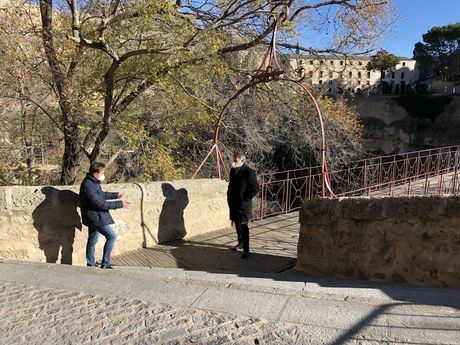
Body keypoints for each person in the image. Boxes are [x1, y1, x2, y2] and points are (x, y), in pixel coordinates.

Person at [79, 162, 126, 269]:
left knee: (92, 240)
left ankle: (90, 263)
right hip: (95, 217)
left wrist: (115, 195)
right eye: (102, 172)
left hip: (92, 216)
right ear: (95, 174)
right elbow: (100, 204)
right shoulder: (88, 186)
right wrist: (120, 204)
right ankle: (105, 263)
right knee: (111, 236)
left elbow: (101, 194)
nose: (104, 174)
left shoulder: (93, 182)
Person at [227, 152, 260, 259]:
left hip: (243, 205)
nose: (234, 163)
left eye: (236, 161)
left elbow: (255, 189)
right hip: (233, 203)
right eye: (234, 160)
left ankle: (246, 250)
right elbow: (231, 184)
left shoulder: (249, 172)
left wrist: (244, 198)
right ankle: (240, 243)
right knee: (237, 224)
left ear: (242, 160)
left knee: (243, 226)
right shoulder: (233, 170)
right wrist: (229, 195)